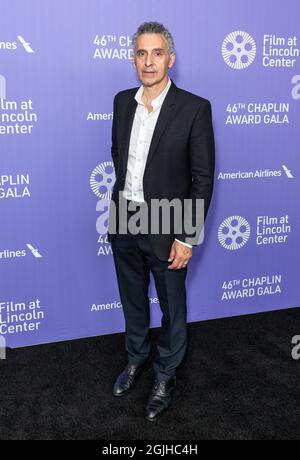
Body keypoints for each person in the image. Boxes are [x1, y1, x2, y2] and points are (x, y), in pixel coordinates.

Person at [107, 21, 215, 421]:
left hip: (169, 223)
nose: (148, 61)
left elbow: (202, 179)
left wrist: (187, 237)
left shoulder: (194, 108)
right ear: (133, 58)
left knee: (172, 306)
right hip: (125, 218)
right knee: (132, 298)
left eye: (156, 53)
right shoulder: (121, 102)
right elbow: (120, 155)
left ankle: (166, 374)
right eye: (141, 53)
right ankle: (137, 359)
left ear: (170, 58)